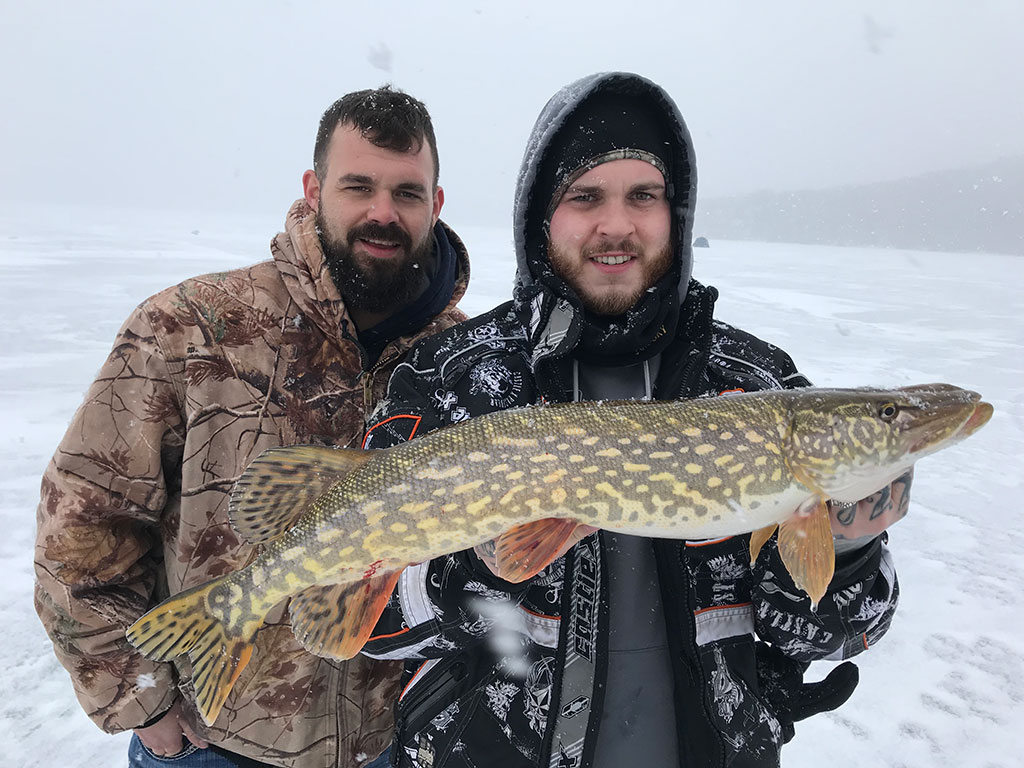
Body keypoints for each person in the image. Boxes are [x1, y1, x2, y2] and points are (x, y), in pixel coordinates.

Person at [358, 72, 910, 767]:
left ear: (675, 213)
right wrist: (473, 573)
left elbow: (824, 637)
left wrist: (853, 547)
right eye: (585, 196)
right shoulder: (452, 380)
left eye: (643, 196)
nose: (616, 225)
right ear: (541, 218)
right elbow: (367, 624)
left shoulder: (757, 385)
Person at [34, 86, 470, 768]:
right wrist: (137, 698)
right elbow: (81, 524)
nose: (382, 213)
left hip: (395, 744)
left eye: (407, 193)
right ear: (313, 188)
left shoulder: (468, 360)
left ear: (435, 204)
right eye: (358, 186)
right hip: (217, 747)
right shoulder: (191, 327)